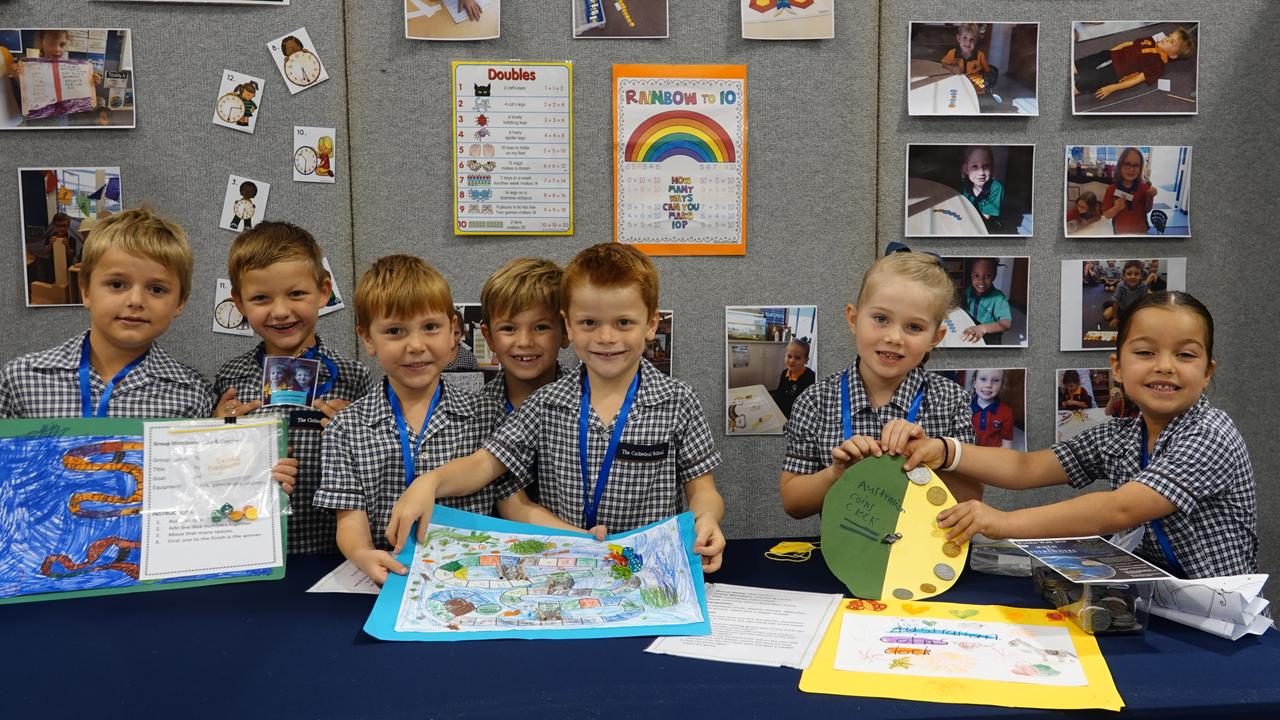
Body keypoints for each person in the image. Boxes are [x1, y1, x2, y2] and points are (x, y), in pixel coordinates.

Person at [384, 243, 727, 574]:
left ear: (651, 324)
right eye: (589, 323)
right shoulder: (546, 403)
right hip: (566, 566)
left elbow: (703, 489)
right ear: (569, 325)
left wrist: (706, 519)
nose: (606, 337)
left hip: (649, 565)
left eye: (623, 322)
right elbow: (485, 463)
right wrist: (430, 482)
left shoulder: (679, 399)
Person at [903, 292, 1256, 579]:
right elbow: (1027, 467)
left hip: (1219, 614)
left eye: (1185, 355)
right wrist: (946, 451)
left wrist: (1003, 522)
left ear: (1207, 372)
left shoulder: (1211, 434)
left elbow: (1120, 509)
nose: (1165, 365)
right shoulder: (1122, 432)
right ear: (1117, 366)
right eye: (1145, 352)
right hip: (1158, 602)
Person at [315, 256, 514, 583]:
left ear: (453, 332)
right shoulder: (345, 428)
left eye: (430, 327)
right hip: (392, 574)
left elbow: (511, 505)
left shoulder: (488, 416)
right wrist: (363, 554)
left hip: (474, 575)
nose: (416, 346)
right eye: (395, 331)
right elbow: (349, 520)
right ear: (368, 339)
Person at [779, 251, 979, 520]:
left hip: (928, 556)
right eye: (881, 319)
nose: (894, 337)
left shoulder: (950, 400)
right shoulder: (815, 401)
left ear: (936, 336)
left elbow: (971, 497)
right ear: (853, 319)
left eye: (914, 327)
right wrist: (836, 473)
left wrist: (934, 455)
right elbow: (793, 502)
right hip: (847, 556)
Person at [214, 222, 373, 554]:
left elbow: (377, 470)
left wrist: (359, 429)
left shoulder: (353, 377)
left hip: (337, 551)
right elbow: (210, 473)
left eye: (296, 294)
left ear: (324, 291)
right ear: (240, 304)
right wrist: (216, 431)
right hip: (249, 548)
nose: (281, 311)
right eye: (260, 298)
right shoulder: (229, 380)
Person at [0, 208, 215, 419]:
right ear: (85, 290)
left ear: (180, 302)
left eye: (157, 289)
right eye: (117, 284)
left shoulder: (193, 394)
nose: (136, 301)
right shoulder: (21, 381)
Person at [478, 257, 571, 413]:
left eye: (541, 327)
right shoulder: (472, 416)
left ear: (566, 333)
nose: (524, 342)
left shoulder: (591, 406)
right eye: (508, 328)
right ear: (489, 338)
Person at [1074, 27, 1195, 101]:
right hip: (1110, 55)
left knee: (1085, 82)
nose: (1166, 39)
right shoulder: (1152, 40)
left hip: (1114, 73)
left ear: (1173, 55)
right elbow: (1129, 43)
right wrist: (1112, 50)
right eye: (1170, 36)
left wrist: (1112, 88)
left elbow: (1137, 79)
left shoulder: (1159, 66)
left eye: (1172, 42)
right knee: (1081, 64)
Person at [1103, 147, 1158, 235]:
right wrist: (1116, 208)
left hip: (1141, 231)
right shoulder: (1111, 189)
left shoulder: (1144, 188)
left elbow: (1147, 210)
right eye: (1127, 164)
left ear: (1140, 168)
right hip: (1120, 232)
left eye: (1136, 165)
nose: (1131, 169)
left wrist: (1151, 196)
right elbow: (1107, 215)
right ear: (1120, 165)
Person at [960, 257, 1012, 344]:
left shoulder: (999, 298)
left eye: (987, 275)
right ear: (971, 275)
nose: (981, 281)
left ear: (994, 276)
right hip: (971, 333)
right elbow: (962, 304)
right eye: (976, 275)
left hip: (990, 338)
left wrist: (982, 328)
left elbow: (1007, 323)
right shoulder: (968, 291)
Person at [940, 23, 996, 95]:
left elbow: (988, 72)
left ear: (976, 41)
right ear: (958, 38)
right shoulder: (952, 53)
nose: (968, 42)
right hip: (959, 87)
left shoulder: (980, 55)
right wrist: (952, 68)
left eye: (972, 39)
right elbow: (942, 64)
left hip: (978, 90)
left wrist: (985, 82)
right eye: (964, 38)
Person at [959, 146, 1003, 232]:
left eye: (986, 166)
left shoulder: (996, 188)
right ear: (966, 169)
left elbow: (984, 221)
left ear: (992, 168)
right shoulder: (966, 184)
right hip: (969, 221)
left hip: (989, 226)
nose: (981, 172)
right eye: (975, 166)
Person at [770, 337, 815, 419]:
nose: (791, 361)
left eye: (797, 358)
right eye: (789, 356)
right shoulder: (784, 373)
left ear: (806, 360)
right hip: (781, 413)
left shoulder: (811, 378)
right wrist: (774, 409)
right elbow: (779, 393)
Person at [971, 369, 1014, 449]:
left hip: (993, 455)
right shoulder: (963, 407)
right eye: (983, 379)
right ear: (974, 383)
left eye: (995, 380)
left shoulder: (1007, 412)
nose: (988, 385)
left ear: (1001, 385)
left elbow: (1007, 445)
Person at [1102, 260, 1149, 328]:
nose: (1132, 276)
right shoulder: (1121, 285)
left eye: (1136, 274)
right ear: (1124, 276)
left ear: (1141, 276)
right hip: (1121, 308)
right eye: (1129, 274)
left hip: (1133, 309)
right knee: (1106, 316)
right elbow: (1116, 302)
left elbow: (1144, 303)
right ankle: (1109, 306)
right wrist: (1115, 317)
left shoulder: (1143, 286)